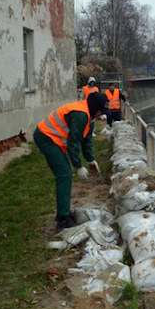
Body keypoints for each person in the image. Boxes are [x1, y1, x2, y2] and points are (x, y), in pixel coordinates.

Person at [34, 93, 107, 230]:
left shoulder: (89, 116)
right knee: (64, 174)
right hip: (46, 137)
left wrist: (91, 160)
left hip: (54, 138)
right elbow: (73, 143)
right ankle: (63, 219)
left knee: (65, 173)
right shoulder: (81, 115)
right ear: (94, 108)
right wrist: (78, 166)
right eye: (101, 111)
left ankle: (64, 213)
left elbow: (87, 140)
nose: (101, 115)